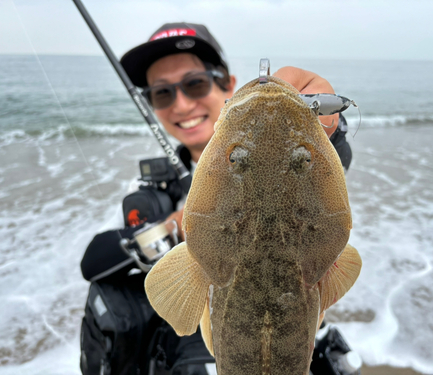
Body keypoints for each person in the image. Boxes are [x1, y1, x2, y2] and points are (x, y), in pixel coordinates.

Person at [80, 22, 353, 375]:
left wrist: (329, 130)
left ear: (228, 85)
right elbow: (93, 261)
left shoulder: (310, 158)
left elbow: (336, 163)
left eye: (195, 84)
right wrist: (168, 228)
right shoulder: (149, 191)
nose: (181, 103)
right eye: (161, 93)